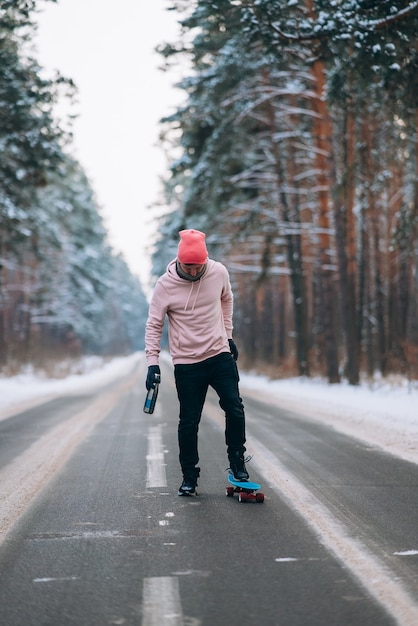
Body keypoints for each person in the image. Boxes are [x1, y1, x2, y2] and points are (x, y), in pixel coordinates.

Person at [145, 228, 250, 496]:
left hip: (219, 354)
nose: (194, 273)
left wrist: (228, 335)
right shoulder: (164, 285)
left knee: (234, 407)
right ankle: (189, 477)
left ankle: (237, 463)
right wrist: (152, 363)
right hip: (187, 363)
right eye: (189, 267)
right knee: (189, 421)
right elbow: (154, 325)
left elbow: (227, 299)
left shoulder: (218, 272)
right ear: (179, 261)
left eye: (198, 267)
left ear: (206, 261)